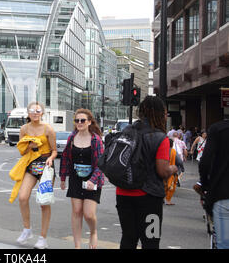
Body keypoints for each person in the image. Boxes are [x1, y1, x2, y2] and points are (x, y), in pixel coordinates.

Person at [115, 96, 177, 249]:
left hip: (123, 194)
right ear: (159, 114)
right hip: (149, 198)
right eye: (164, 113)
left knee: (128, 238)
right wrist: (173, 169)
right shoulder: (160, 138)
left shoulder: (127, 130)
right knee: (151, 240)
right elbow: (162, 171)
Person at [60, 109, 104, 249]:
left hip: (92, 179)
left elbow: (101, 164)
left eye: (82, 120)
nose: (79, 123)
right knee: (77, 211)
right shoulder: (72, 137)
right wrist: (62, 178)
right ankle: (77, 246)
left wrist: (93, 180)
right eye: (77, 120)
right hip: (76, 178)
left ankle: (93, 232)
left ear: (89, 122)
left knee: (89, 214)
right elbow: (65, 158)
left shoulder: (96, 139)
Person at [14, 102, 57, 249]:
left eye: (38, 111)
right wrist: (30, 146)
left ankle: (43, 238)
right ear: (28, 113)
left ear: (42, 113)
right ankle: (27, 229)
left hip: (46, 165)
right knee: (23, 197)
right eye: (32, 110)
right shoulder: (24, 129)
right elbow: (21, 151)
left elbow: (55, 150)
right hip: (31, 164)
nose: (35, 113)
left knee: (44, 202)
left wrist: (51, 159)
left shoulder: (48, 129)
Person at [196, 119, 229, 249]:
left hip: (223, 193)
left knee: (224, 244)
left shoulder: (218, 129)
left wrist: (204, 184)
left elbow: (205, 162)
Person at [164, 139, 182, 206]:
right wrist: (181, 168)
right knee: (171, 185)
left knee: (164, 185)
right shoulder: (173, 151)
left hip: (162, 170)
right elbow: (179, 161)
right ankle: (168, 200)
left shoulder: (163, 150)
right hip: (171, 171)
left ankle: (162, 198)